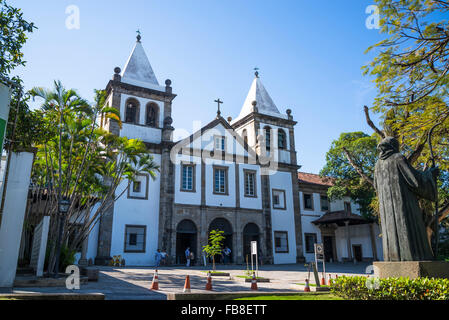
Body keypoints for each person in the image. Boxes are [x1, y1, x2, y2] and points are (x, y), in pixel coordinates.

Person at [374, 136, 439, 261]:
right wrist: (430, 174)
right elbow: (415, 180)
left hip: (387, 211)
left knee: (391, 234)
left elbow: (377, 187)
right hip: (404, 205)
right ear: (393, 146)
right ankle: (417, 257)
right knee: (410, 232)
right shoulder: (398, 158)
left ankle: (393, 258)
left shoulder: (378, 166)